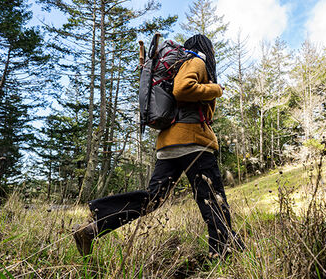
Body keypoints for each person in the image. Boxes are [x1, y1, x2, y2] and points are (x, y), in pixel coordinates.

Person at [73, 34, 242, 259]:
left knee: (153, 199)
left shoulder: (178, 65)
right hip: (193, 143)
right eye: (211, 48)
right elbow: (182, 89)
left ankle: (93, 227)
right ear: (204, 48)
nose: (212, 53)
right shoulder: (196, 61)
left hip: (168, 144)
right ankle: (222, 252)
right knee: (211, 198)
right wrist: (216, 89)